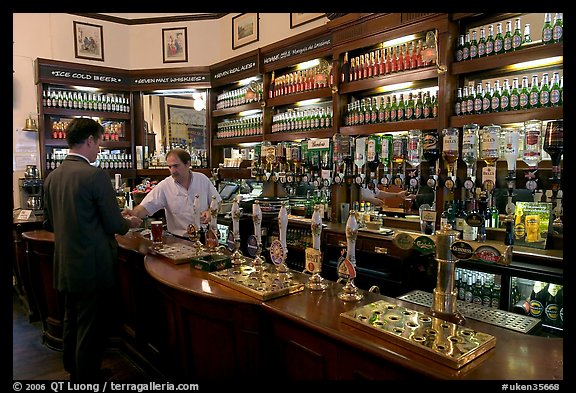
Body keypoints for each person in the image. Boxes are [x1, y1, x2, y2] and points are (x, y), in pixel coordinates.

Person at [43, 118, 142, 381]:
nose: (98, 148)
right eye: (98, 142)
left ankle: (73, 368)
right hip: (92, 265)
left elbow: (51, 221)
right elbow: (113, 223)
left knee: (71, 320)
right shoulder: (95, 175)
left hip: (65, 264)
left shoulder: (52, 177)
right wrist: (128, 221)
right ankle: (86, 378)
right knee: (91, 326)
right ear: (89, 140)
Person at [132, 148, 222, 237]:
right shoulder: (165, 186)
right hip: (179, 239)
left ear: (187, 164)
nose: (172, 171)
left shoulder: (202, 179)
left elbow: (218, 202)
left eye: (176, 166)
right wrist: (131, 214)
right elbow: (145, 208)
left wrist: (210, 212)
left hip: (204, 237)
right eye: (170, 167)